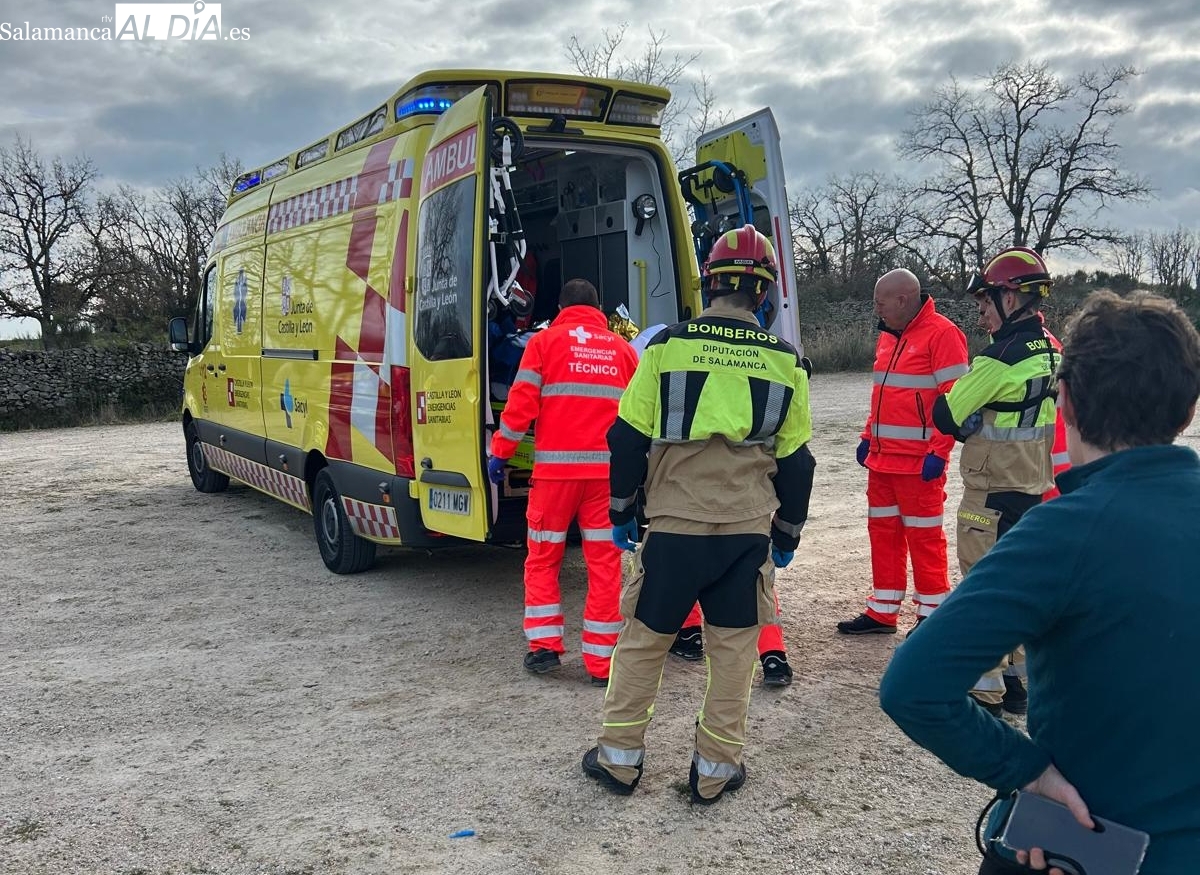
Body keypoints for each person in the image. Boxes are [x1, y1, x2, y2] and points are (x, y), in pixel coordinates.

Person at [880, 290, 1200, 874]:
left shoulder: (1063, 533)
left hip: (1083, 839)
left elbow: (913, 686)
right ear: (1186, 410)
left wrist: (1025, 772)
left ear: (1068, 403)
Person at [580, 224, 816, 804]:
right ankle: (714, 771)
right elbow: (798, 460)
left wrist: (621, 508)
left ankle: (619, 762)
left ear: (708, 283)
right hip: (745, 531)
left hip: (675, 526)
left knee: (644, 641)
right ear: (762, 295)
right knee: (734, 651)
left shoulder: (665, 347)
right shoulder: (787, 362)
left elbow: (627, 436)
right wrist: (786, 532)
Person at [488, 278, 639, 686]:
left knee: (543, 558)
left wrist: (500, 453)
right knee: (604, 565)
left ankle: (544, 649)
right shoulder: (623, 351)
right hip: (605, 477)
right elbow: (638, 417)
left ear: (559, 308)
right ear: (599, 309)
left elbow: (520, 407)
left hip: (555, 477)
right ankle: (602, 663)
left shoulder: (543, 344)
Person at [929, 247, 1059, 717]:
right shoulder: (1049, 347)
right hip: (1030, 486)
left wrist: (960, 407)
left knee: (982, 585)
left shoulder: (997, 358)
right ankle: (1017, 683)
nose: (981, 310)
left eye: (986, 300)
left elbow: (947, 413)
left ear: (1013, 297)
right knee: (1018, 586)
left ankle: (985, 691)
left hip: (989, 488)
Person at [835, 268, 968, 637]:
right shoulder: (889, 336)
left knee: (924, 537)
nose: (876, 309)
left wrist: (939, 453)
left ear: (903, 300)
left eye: (880, 303)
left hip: (918, 463)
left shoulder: (943, 335)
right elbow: (884, 395)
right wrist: (867, 436)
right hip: (883, 461)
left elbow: (955, 401)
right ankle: (883, 610)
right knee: (884, 533)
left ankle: (932, 614)